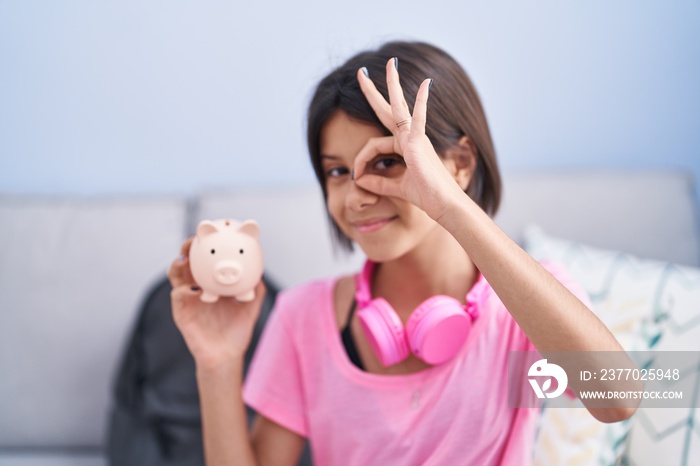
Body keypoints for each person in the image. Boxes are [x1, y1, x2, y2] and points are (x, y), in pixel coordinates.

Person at [167, 41, 636, 465]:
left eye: (388, 162)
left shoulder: (523, 306)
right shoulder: (301, 317)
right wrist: (218, 363)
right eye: (336, 172)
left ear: (460, 164)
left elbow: (618, 399)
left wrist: (449, 204)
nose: (356, 196)